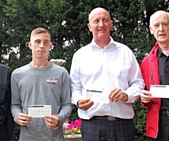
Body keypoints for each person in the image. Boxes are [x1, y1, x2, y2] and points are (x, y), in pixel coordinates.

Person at [70, 7, 145, 141]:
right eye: (96, 21)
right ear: (89, 26)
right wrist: (78, 101)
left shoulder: (125, 52)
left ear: (111, 24)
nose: (101, 24)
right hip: (92, 124)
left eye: (105, 20)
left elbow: (138, 83)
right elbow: (74, 87)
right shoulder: (80, 55)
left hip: (122, 124)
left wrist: (126, 95)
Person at [11, 27, 72, 141]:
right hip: (27, 137)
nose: (41, 45)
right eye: (37, 41)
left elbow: (67, 104)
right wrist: (17, 116)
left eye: (46, 42)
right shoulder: (17, 74)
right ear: (30, 45)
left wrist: (59, 119)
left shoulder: (61, 73)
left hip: (54, 137)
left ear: (50, 46)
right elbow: (15, 104)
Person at [140, 10, 169, 141]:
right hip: (158, 124)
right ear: (151, 30)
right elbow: (144, 92)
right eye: (156, 25)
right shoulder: (147, 62)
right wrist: (144, 98)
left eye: (165, 24)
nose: (161, 29)